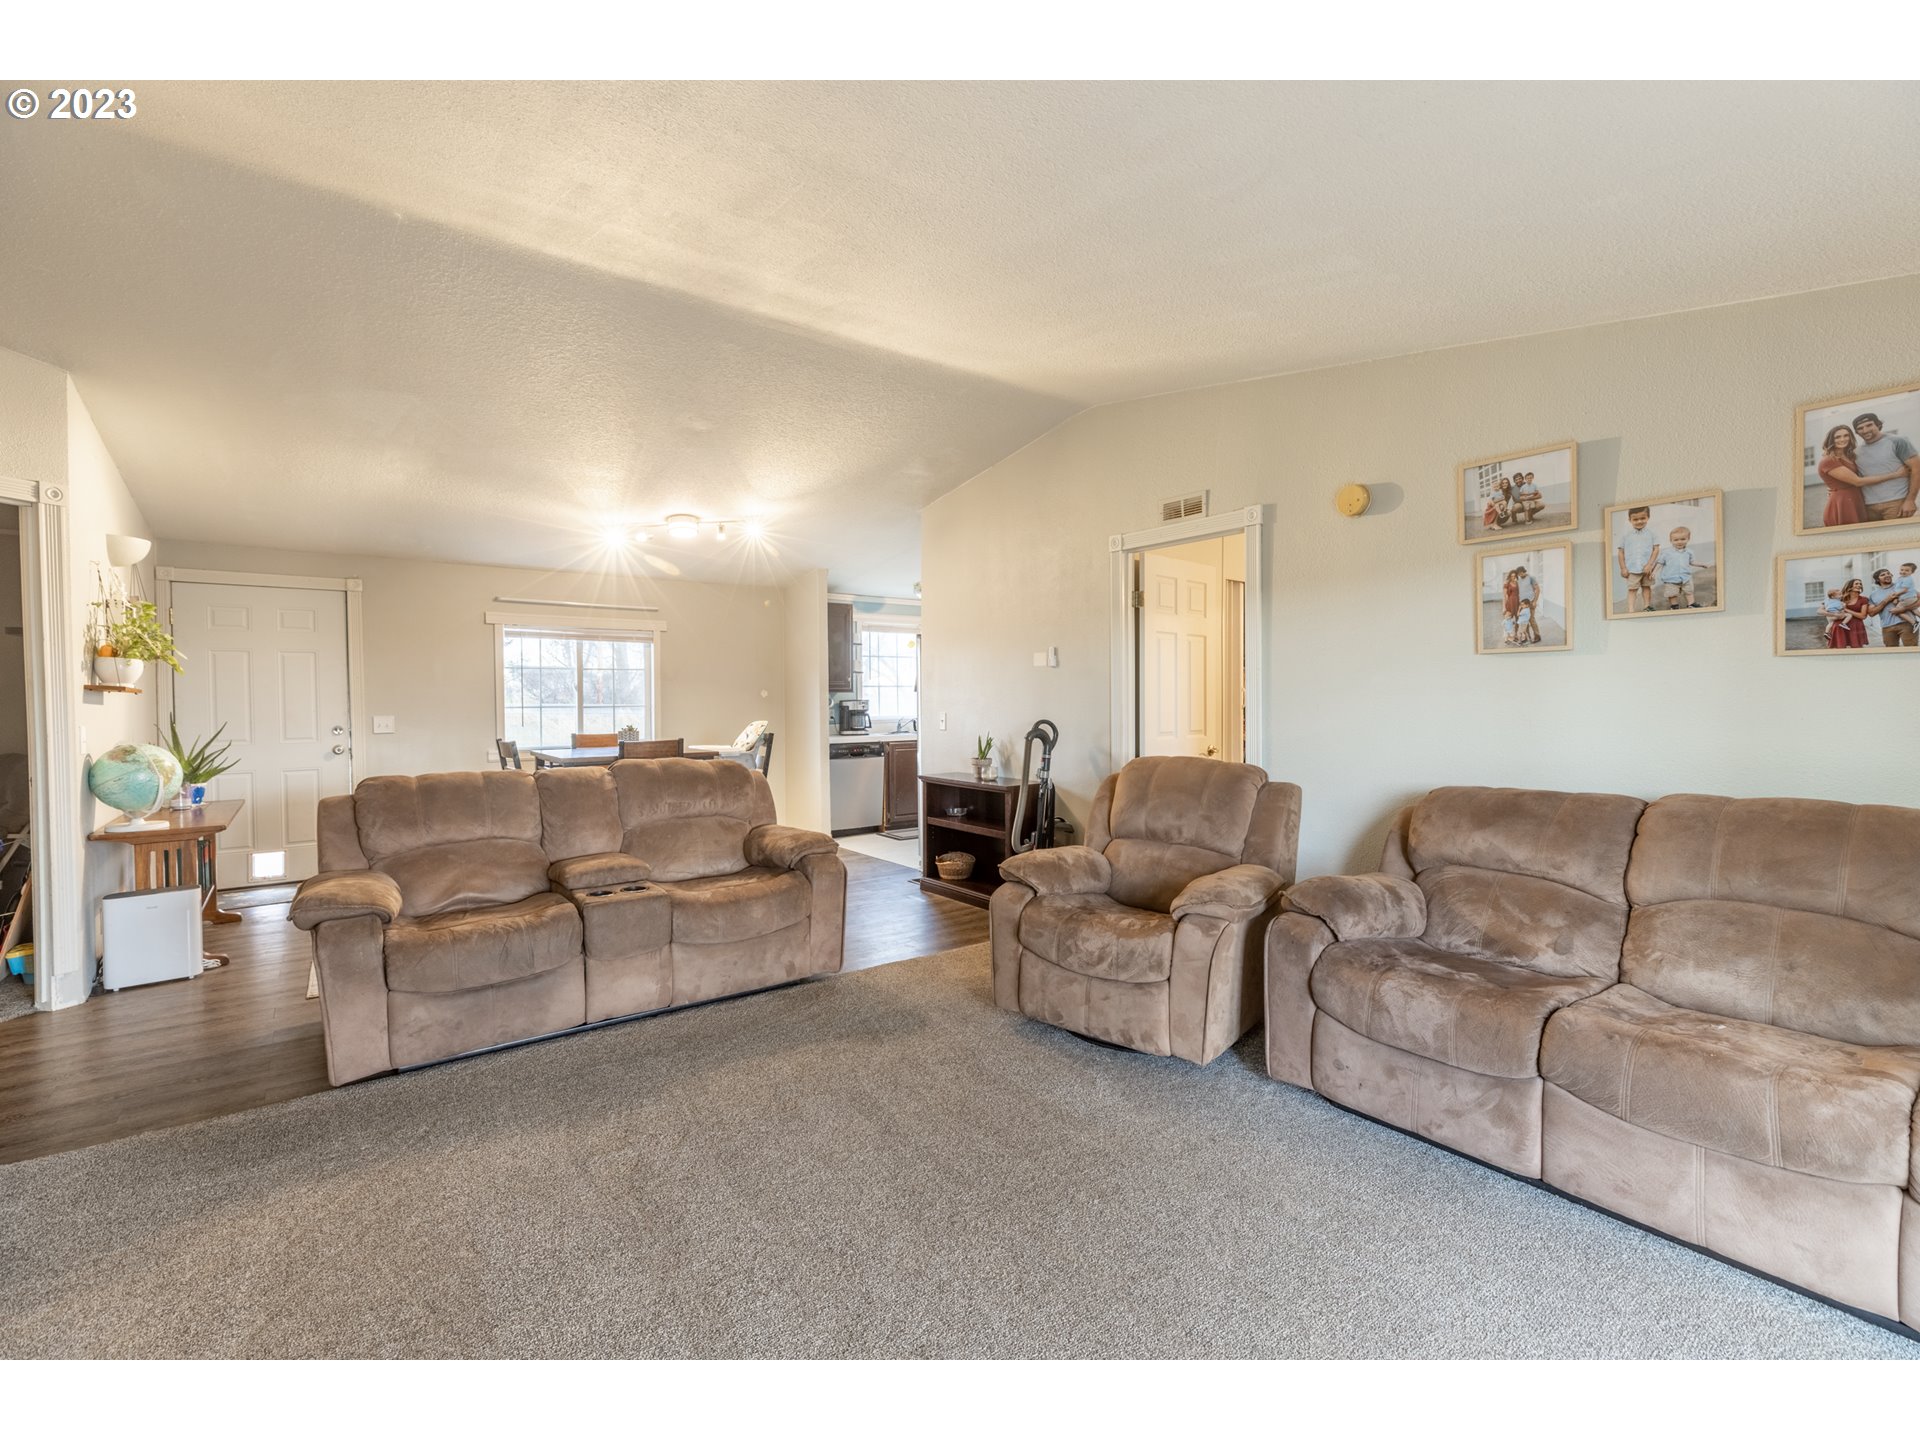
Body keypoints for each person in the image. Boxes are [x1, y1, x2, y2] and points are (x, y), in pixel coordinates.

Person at [1852, 413, 1920, 523]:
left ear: (1878, 425)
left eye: (1869, 425)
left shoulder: (1898, 441)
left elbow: (1917, 470)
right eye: (1860, 428)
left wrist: (1910, 500)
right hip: (1868, 506)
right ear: (1856, 432)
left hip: (1896, 503)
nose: (1865, 430)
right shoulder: (1856, 452)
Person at [1816, 424, 1876, 529]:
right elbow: (1857, 481)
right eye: (1837, 437)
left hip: (1855, 498)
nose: (1842, 439)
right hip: (1843, 502)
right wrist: (1895, 475)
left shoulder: (1850, 456)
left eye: (1846, 435)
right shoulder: (1829, 460)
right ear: (1831, 440)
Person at [1615, 505, 1659, 613]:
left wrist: (1650, 565)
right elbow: (1621, 552)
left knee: (1646, 587)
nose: (1639, 521)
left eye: (1643, 518)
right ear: (1630, 520)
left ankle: (1647, 606)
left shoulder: (1652, 534)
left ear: (1648, 517)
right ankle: (1631, 609)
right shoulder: (1626, 536)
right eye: (1635, 519)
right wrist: (1623, 568)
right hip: (1632, 569)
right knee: (1632, 589)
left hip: (1647, 568)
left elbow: (1656, 549)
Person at [1866, 566, 1917, 647]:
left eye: (1888, 573)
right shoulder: (1873, 594)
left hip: (1907, 624)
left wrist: (1904, 608)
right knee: (1892, 653)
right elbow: (1871, 613)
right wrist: (1887, 600)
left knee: (1911, 651)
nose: (1887, 575)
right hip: (1887, 627)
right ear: (1877, 579)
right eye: (1883, 574)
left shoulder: (1902, 586)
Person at [1655, 525, 1702, 609]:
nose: (1679, 542)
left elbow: (1692, 562)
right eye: (1676, 540)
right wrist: (1654, 572)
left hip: (1685, 577)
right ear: (1671, 541)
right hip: (1670, 578)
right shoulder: (1666, 553)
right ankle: (1674, 605)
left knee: (1689, 591)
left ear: (1688, 539)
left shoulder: (1689, 552)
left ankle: (1691, 604)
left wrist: (1702, 564)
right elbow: (1660, 562)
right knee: (1672, 593)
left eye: (1683, 539)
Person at [1826, 579, 1870, 649]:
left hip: (1855, 627)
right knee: (1841, 651)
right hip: (1839, 627)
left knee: (1857, 650)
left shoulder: (1863, 599)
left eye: (1860, 584)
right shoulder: (1840, 598)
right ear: (1850, 586)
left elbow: (1863, 616)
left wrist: (1846, 609)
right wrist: (1832, 616)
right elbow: (1823, 609)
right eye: (1856, 584)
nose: (1859, 585)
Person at [1515, 565, 1541, 642]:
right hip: (1522, 604)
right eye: (1518, 574)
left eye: (1521, 573)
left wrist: (1535, 601)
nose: (1520, 575)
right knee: (1524, 621)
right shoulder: (1519, 581)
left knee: (1531, 620)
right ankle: (1525, 637)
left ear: (1524, 571)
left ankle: (1537, 636)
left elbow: (1538, 589)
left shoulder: (1531, 578)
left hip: (1530, 602)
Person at [1501, 567, 1520, 645]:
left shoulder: (1517, 583)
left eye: (1514, 576)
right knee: (1508, 620)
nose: (1513, 577)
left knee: (1517, 619)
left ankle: (1514, 635)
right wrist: (1504, 607)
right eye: (1511, 576)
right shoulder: (1506, 584)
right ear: (1509, 576)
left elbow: (1518, 593)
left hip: (1517, 602)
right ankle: (1507, 637)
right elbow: (1504, 596)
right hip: (1510, 602)